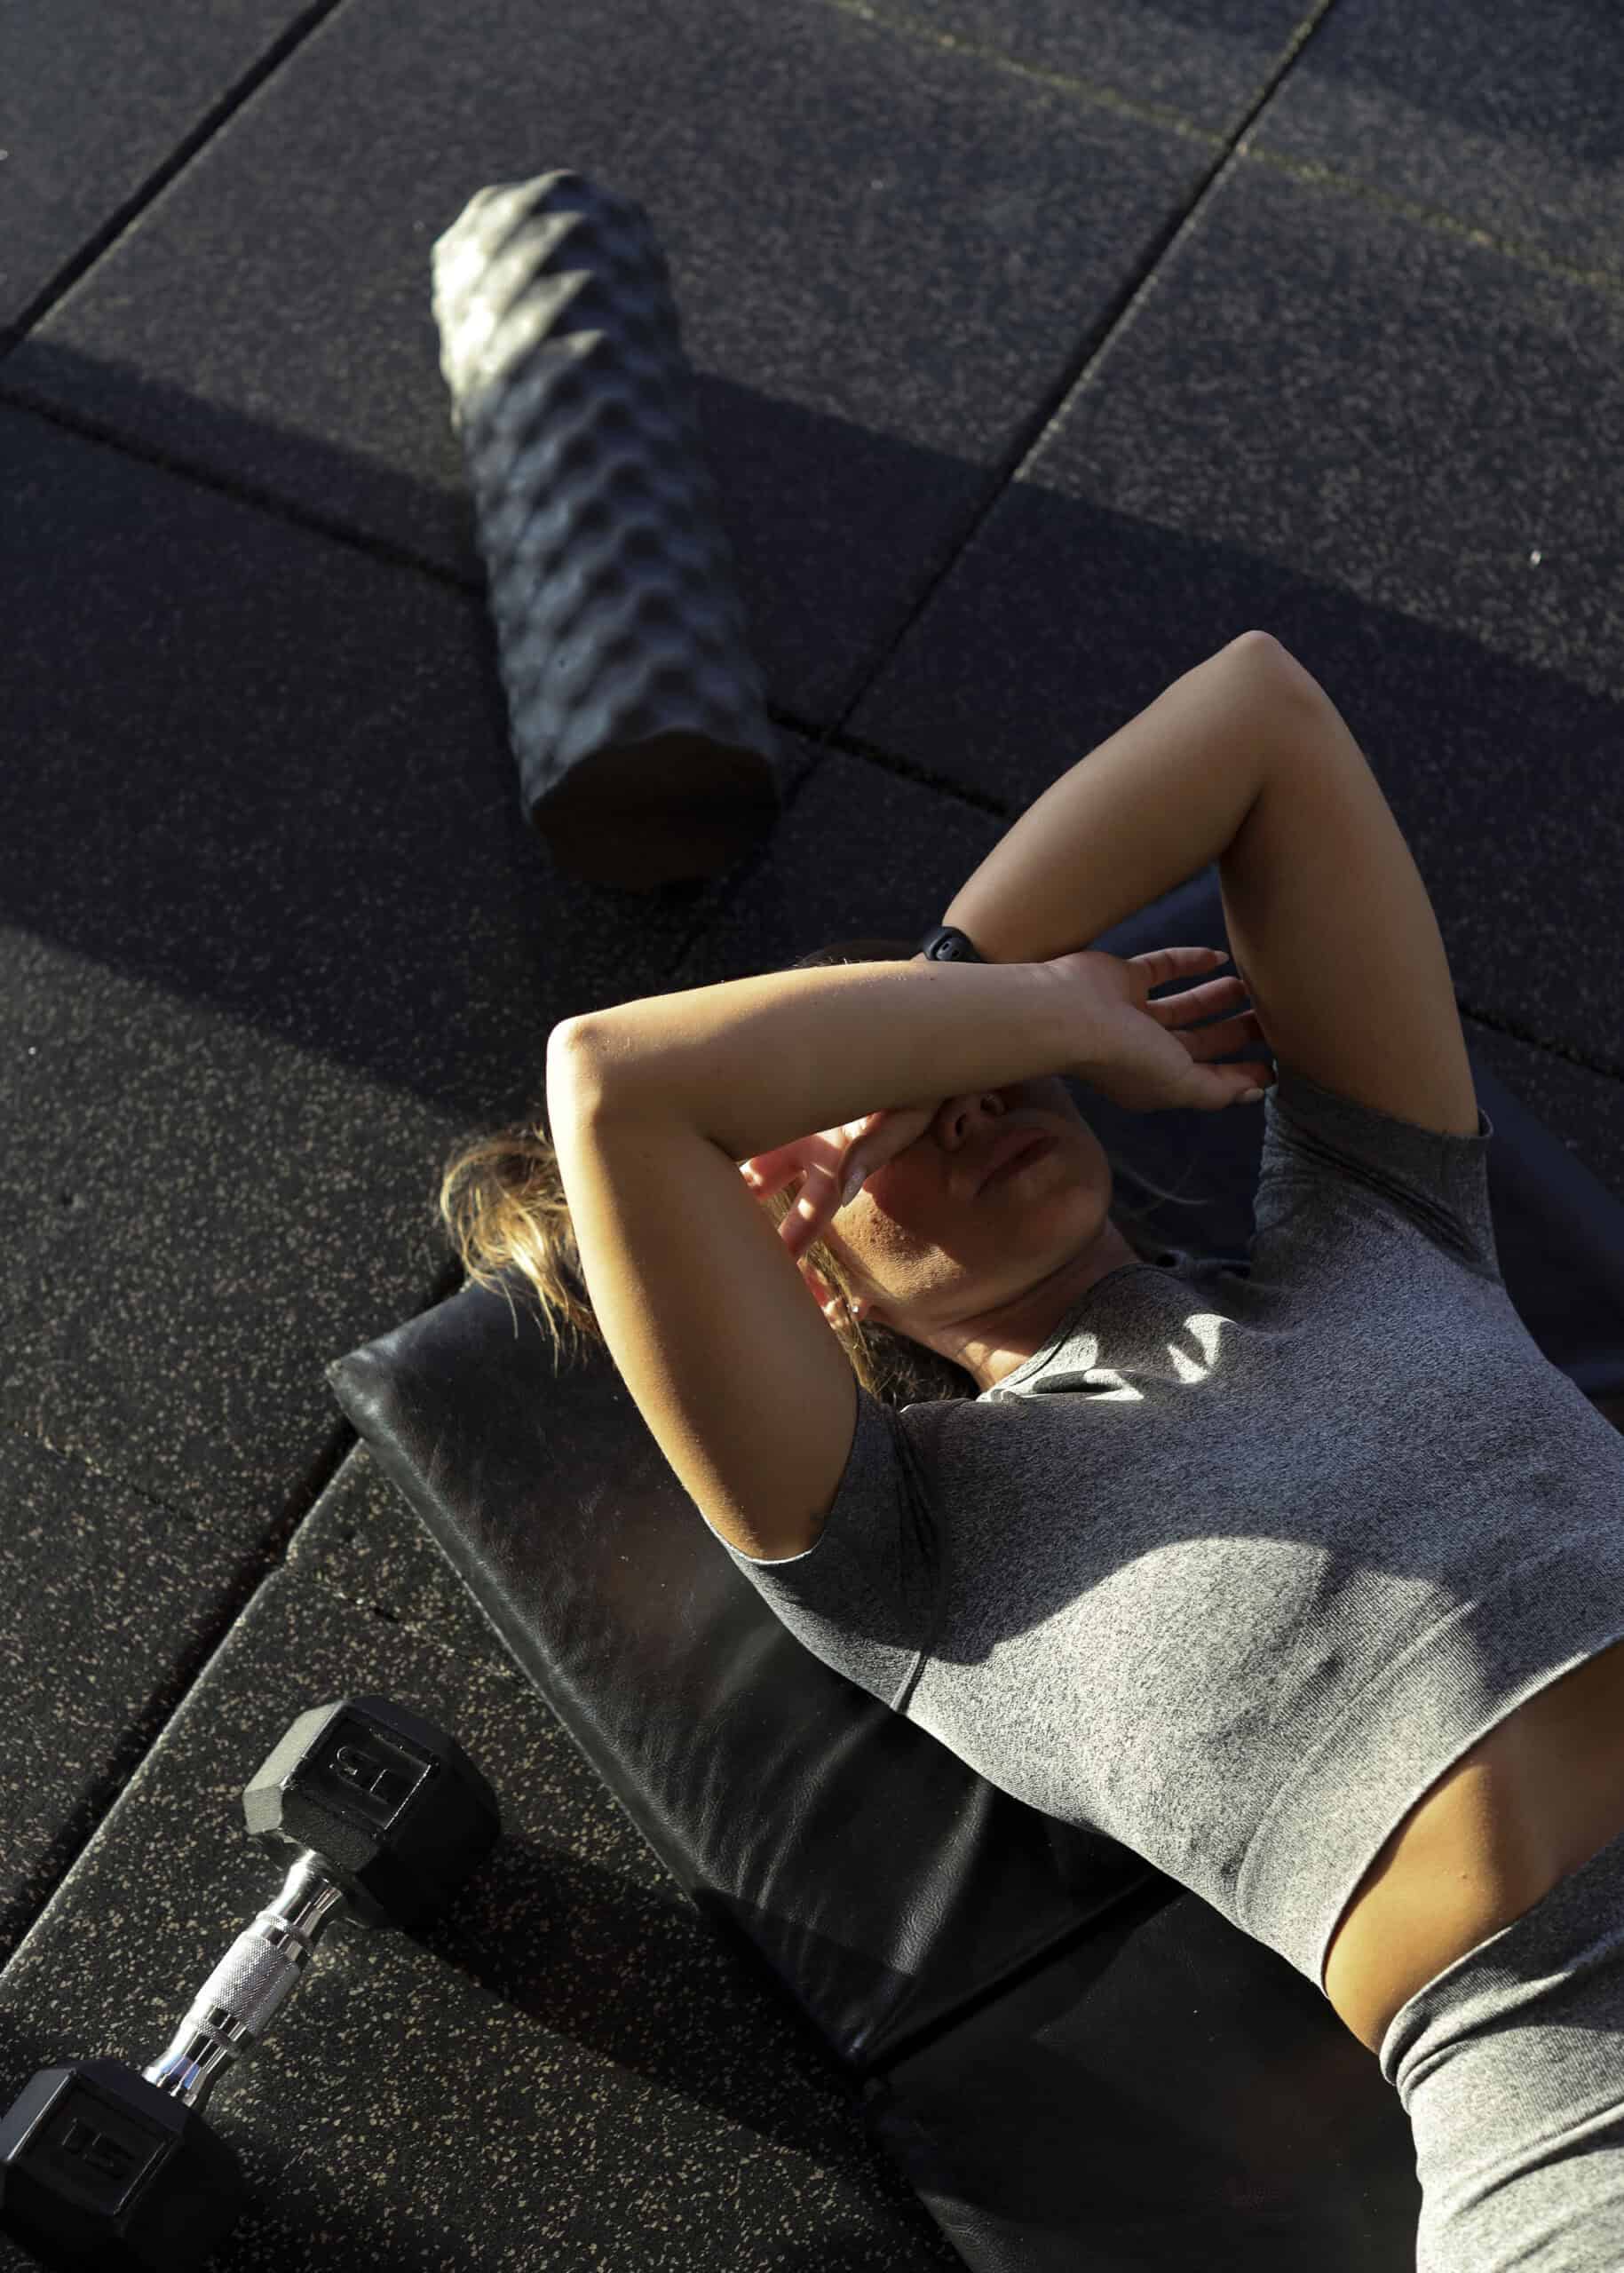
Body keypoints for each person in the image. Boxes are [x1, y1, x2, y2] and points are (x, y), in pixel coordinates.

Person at [443, 632, 1624, 2267]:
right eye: (866, 1105)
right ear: (789, 1275)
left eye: (964, 1062)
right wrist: (983, 1018)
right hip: (1576, 2097)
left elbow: (1259, 715)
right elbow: (613, 1081)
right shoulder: (904, 1555)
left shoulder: (1383, 1225)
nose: (951, 1099)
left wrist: (968, 999)